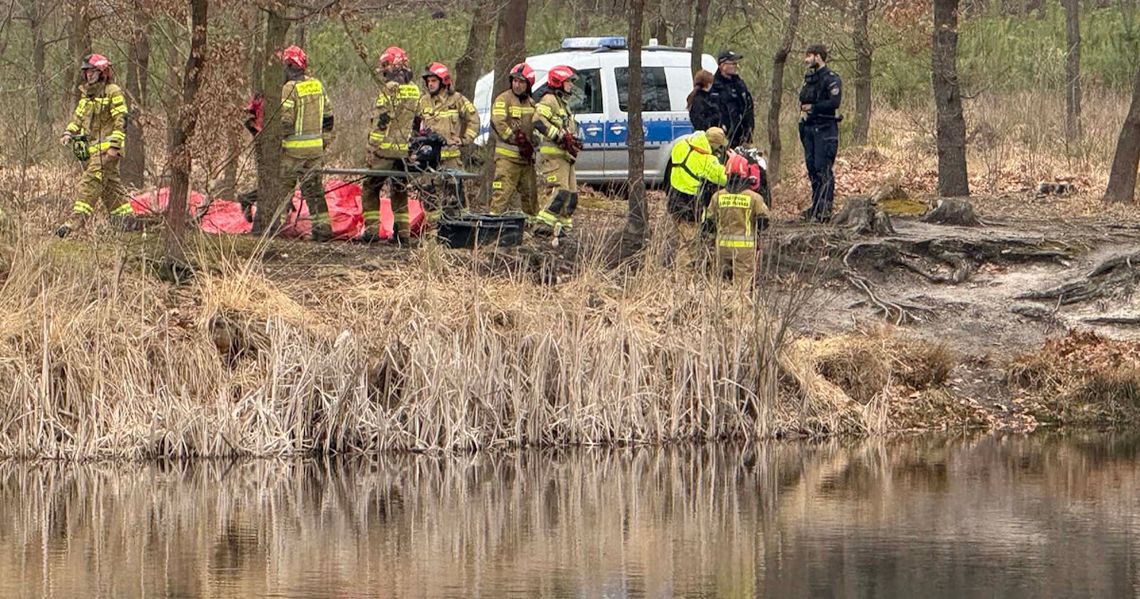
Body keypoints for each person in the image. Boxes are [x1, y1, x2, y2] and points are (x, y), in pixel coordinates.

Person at [55, 54, 131, 238]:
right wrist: (68, 133)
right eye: (87, 71)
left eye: (93, 71)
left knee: (90, 182)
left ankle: (74, 223)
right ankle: (127, 222)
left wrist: (115, 147)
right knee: (111, 188)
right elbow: (78, 117)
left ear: (103, 72)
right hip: (93, 151)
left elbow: (121, 120)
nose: (89, 75)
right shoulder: (87, 95)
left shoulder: (113, 91)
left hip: (108, 151)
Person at [361, 46, 420, 244]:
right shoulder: (415, 89)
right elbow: (418, 121)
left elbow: (381, 121)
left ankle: (371, 231)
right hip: (404, 152)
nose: (384, 70)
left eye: (386, 65)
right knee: (400, 189)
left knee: (370, 187)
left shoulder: (390, 89)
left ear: (395, 64)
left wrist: (372, 148)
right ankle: (403, 232)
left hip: (385, 152)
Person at [278, 45, 335, 241]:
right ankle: (323, 230)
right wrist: (324, 141)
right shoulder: (317, 85)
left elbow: (286, 122)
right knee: (315, 192)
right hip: (315, 151)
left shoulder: (289, 88)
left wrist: (277, 142)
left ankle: (276, 229)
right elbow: (329, 117)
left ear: (289, 66)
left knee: (283, 191)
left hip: (293, 152)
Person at [416, 61, 479, 221]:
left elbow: (474, 119)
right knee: (429, 198)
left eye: (433, 81)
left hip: (451, 159)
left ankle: (459, 230)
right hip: (429, 160)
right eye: (428, 81)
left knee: (455, 200)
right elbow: (415, 126)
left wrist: (464, 140)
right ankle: (433, 231)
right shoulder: (423, 101)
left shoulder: (457, 100)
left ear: (444, 81)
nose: (430, 84)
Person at [701, 152, 770, 281]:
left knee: (721, 284)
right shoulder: (754, 198)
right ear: (746, 174)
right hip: (745, 250)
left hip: (722, 248)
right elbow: (764, 222)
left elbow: (708, 224)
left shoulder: (717, 197)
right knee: (742, 286)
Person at [533, 65, 581, 237]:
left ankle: (562, 228)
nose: (571, 85)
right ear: (558, 82)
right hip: (553, 156)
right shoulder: (549, 100)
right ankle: (542, 226)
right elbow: (538, 120)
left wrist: (573, 140)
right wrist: (559, 136)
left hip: (565, 156)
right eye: (568, 81)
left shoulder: (563, 103)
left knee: (571, 196)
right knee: (560, 192)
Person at [798, 43, 842, 222]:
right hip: (809, 129)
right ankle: (815, 207)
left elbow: (834, 102)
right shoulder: (809, 79)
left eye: (809, 56)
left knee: (822, 169)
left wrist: (814, 108)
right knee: (812, 169)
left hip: (825, 129)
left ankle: (825, 210)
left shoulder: (831, 78)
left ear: (818, 56)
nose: (806, 60)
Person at [489, 63, 539, 217]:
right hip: (507, 160)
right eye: (515, 81)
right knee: (501, 195)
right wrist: (516, 139)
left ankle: (530, 226)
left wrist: (534, 141)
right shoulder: (503, 99)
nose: (517, 85)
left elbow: (537, 126)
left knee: (531, 198)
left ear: (528, 84)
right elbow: (498, 122)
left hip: (526, 161)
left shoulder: (532, 104)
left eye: (521, 82)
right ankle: (493, 225)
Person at [666, 126, 728, 223]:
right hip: (691, 201)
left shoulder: (681, 144)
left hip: (673, 194)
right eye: (719, 146)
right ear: (714, 144)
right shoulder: (707, 160)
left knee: (676, 228)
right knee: (690, 230)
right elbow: (724, 179)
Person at [709, 50, 754, 149]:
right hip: (722, 139)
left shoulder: (739, 84)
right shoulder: (713, 87)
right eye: (732, 63)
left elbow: (748, 108)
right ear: (722, 65)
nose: (735, 66)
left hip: (741, 138)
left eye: (736, 63)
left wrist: (748, 134)